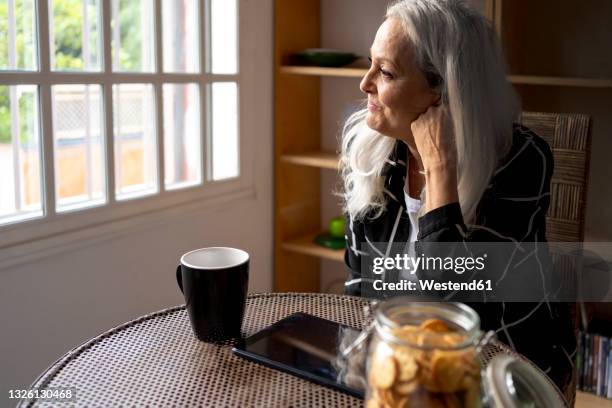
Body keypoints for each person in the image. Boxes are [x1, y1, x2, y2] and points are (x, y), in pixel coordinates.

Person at [340, 0, 577, 402]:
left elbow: (455, 312)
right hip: (406, 364)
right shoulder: (373, 155)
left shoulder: (522, 161)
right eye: (370, 63)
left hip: (502, 372)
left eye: (386, 71)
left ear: (445, 92)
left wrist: (441, 170)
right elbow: (362, 288)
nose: (365, 83)